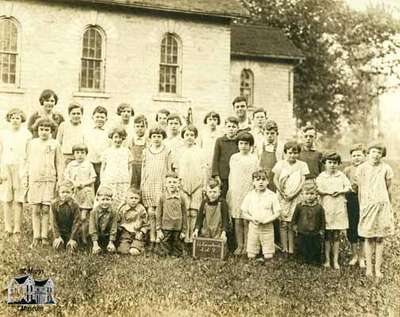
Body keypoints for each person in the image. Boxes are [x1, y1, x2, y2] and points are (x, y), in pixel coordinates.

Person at [355, 143, 395, 278]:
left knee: (379, 238)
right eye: (373, 152)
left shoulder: (386, 168)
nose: (376, 155)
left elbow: (389, 189)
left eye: (379, 152)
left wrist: (389, 206)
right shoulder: (361, 168)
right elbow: (360, 189)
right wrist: (362, 206)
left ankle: (377, 269)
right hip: (368, 205)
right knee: (368, 237)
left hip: (382, 205)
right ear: (368, 153)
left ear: (382, 154)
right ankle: (368, 269)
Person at [23, 118, 63, 248]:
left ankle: (44, 236)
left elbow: (59, 162)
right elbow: (27, 160)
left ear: (51, 131)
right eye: (41, 129)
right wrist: (26, 177)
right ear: (37, 130)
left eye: (47, 130)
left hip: (49, 179)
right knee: (35, 208)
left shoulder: (55, 143)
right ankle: (36, 236)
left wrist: (59, 178)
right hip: (35, 179)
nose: (44, 132)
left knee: (46, 208)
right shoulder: (32, 143)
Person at [0, 108, 32, 242]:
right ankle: (8, 228)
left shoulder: (27, 134)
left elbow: (29, 154)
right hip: (6, 166)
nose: (15, 120)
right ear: (9, 119)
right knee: (7, 198)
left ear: (22, 120)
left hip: (20, 167)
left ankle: (17, 228)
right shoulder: (3, 134)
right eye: (12, 117)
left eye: (18, 118)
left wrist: (26, 171)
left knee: (19, 198)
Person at [273, 141, 309, 255]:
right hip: (282, 196)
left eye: (295, 153)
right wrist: (281, 192)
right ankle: (284, 248)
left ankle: (292, 248)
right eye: (289, 153)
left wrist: (294, 194)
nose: (292, 155)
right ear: (285, 153)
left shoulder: (302, 165)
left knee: (292, 223)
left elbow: (303, 181)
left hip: (296, 196)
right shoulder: (280, 164)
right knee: (283, 223)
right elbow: (275, 179)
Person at [316, 152, 351, 269]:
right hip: (326, 207)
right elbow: (318, 189)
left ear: (338, 164)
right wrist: (327, 192)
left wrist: (340, 192)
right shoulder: (321, 176)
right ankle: (327, 260)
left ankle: (335, 260)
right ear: (325, 163)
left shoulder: (341, 175)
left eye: (335, 163)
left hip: (338, 208)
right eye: (330, 162)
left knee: (336, 235)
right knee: (327, 234)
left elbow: (348, 187)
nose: (332, 165)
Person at [227, 131, 258, 255]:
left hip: (249, 190)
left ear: (250, 145)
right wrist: (231, 189)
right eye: (241, 143)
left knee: (246, 219)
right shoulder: (234, 158)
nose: (243, 146)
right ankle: (239, 245)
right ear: (238, 144)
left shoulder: (254, 158)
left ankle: (247, 245)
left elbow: (255, 176)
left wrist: (254, 191)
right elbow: (231, 175)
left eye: (246, 143)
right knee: (238, 219)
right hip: (236, 190)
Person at [141, 127, 173, 245]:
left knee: (159, 211)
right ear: (150, 138)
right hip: (149, 182)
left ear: (163, 138)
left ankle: (161, 236)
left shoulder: (167, 151)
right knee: (151, 211)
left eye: (159, 136)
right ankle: (152, 236)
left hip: (161, 182)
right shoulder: (146, 151)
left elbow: (169, 168)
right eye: (154, 136)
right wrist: (142, 183)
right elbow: (143, 168)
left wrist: (168, 184)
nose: (156, 139)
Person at [241, 169, 281, 262]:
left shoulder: (272, 195)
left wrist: (268, 220)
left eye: (263, 179)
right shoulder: (250, 195)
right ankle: (254, 253)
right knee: (251, 255)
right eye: (257, 180)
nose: (261, 182)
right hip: (254, 227)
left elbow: (278, 212)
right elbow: (243, 212)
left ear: (267, 181)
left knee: (268, 256)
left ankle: (267, 252)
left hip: (267, 227)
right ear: (253, 182)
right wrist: (251, 219)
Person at [64, 144, 96, 245]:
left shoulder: (88, 164)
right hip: (75, 192)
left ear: (86, 154)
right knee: (75, 215)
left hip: (86, 192)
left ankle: (84, 236)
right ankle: (73, 236)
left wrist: (84, 183)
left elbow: (93, 178)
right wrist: (73, 182)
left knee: (84, 216)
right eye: (77, 153)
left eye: (82, 153)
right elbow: (66, 176)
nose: (80, 155)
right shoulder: (71, 165)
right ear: (74, 154)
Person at [177, 125, 203, 248]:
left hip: (197, 184)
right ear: (183, 136)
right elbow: (176, 169)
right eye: (187, 135)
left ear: (195, 137)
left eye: (192, 135)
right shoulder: (179, 151)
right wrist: (179, 184)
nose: (189, 137)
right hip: (183, 185)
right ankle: (185, 238)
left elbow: (203, 169)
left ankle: (193, 237)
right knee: (185, 211)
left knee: (194, 211)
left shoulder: (199, 151)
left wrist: (201, 184)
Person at [343, 144, 366, 267]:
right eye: (354, 155)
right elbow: (343, 185)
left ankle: (362, 256)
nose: (356, 158)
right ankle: (354, 255)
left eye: (359, 155)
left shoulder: (368, 168)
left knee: (362, 227)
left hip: (364, 200)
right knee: (352, 227)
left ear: (364, 156)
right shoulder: (347, 170)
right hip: (351, 200)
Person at [292, 182, 325, 265]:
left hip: (315, 232)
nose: (309, 196)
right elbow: (294, 218)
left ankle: (315, 260)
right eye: (307, 194)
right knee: (302, 246)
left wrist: (322, 229)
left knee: (315, 246)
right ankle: (303, 260)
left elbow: (322, 219)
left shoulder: (319, 207)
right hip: (302, 231)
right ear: (302, 194)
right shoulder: (299, 206)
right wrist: (295, 226)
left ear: (316, 195)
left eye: (312, 194)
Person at [156, 172, 187, 257]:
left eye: (174, 182)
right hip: (166, 226)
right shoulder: (162, 197)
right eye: (169, 182)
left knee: (177, 243)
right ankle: (164, 254)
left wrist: (184, 230)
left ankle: (176, 255)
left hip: (178, 227)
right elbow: (158, 213)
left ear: (178, 183)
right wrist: (158, 229)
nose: (172, 184)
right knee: (165, 244)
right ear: (165, 184)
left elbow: (184, 214)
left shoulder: (181, 197)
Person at [100, 127, 133, 207]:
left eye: (120, 137)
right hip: (109, 181)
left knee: (121, 203)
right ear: (112, 138)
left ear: (123, 139)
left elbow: (130, 167)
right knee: (108, 201)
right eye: (116, 137)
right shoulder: (107, 151)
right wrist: (102, 181)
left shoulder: (126, 151)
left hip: (123, 181)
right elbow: (103, 167)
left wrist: (129, 181)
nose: (118, 140)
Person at [211, 116, 239, 198]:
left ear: (238, 128)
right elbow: (215, 159)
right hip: (223, 176)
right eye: (229, 126)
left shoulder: (239, 141)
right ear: (225, 128)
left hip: (235, 175)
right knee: (222, 197)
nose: (231, 129)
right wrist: (216, 175)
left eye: (234, 127)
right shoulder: (220, 141)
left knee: (233, 196)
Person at [117, 188, 149, 255]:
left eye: (136, 198)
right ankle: (127, 246)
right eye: (131, 198)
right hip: (126, 234)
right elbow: (117, 220)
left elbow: (146, 224)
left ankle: (138, 246)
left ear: (139, 199)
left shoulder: (141, 209)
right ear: (126, 199)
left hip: (138, 234)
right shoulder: (123, 209)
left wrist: (141, 232)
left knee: (133, 251)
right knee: (123, 251)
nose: (133, 200)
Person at [51, 180, 81, 251]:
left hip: (71, 232)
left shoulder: (75, 205)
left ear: (72, 193)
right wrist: (57, 236)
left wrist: (72, 238)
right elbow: (53, 221)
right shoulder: (54, 205)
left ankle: (71, 243)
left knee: (72, 247)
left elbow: (76, 222)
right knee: (58, 246)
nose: (65, 194)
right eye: (63, 192)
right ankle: (59, 241)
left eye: (68, 192)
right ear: (59, 192)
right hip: (59, 231)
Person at [85, 106, 109, 193]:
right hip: (90, 162)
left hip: (102, 164)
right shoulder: (88, 132)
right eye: (97, 117)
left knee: (101, 184)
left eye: (102, 117)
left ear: (106, 119)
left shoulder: (108, 132)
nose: (99, 119)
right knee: (90, 185)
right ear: (92, 117)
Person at [89, 186, 118, 254]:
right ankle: (95, 245)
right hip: (97, 236)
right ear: (97, 200)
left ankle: (110, 244)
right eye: (103, 199)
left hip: (108, 236)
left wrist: (111, 242)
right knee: (94, 250)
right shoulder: (93, 212)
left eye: (107, 199)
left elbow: (114, 227)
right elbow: (92, 228)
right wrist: (95, 243)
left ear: (111, 200)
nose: (105, 202)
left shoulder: (113, 212)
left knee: (112, 249)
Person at [199, 111, 222, 185]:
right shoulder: (202, 133)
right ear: (206, 121)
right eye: (210, 119)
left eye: (215, 119)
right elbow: (199, 148)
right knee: (205, 183)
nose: (212, 122)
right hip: (205, 162)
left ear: (218, 121)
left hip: (217, 162)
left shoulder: (221, 133)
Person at [130, 114, 148, 189]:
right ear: (134, 127)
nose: (140, 128)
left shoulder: (148, 141)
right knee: (133, 188)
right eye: (137, 126)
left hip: (144, 168)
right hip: (133, 168)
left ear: (146, 127)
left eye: (142, 126)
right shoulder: (130, 141)